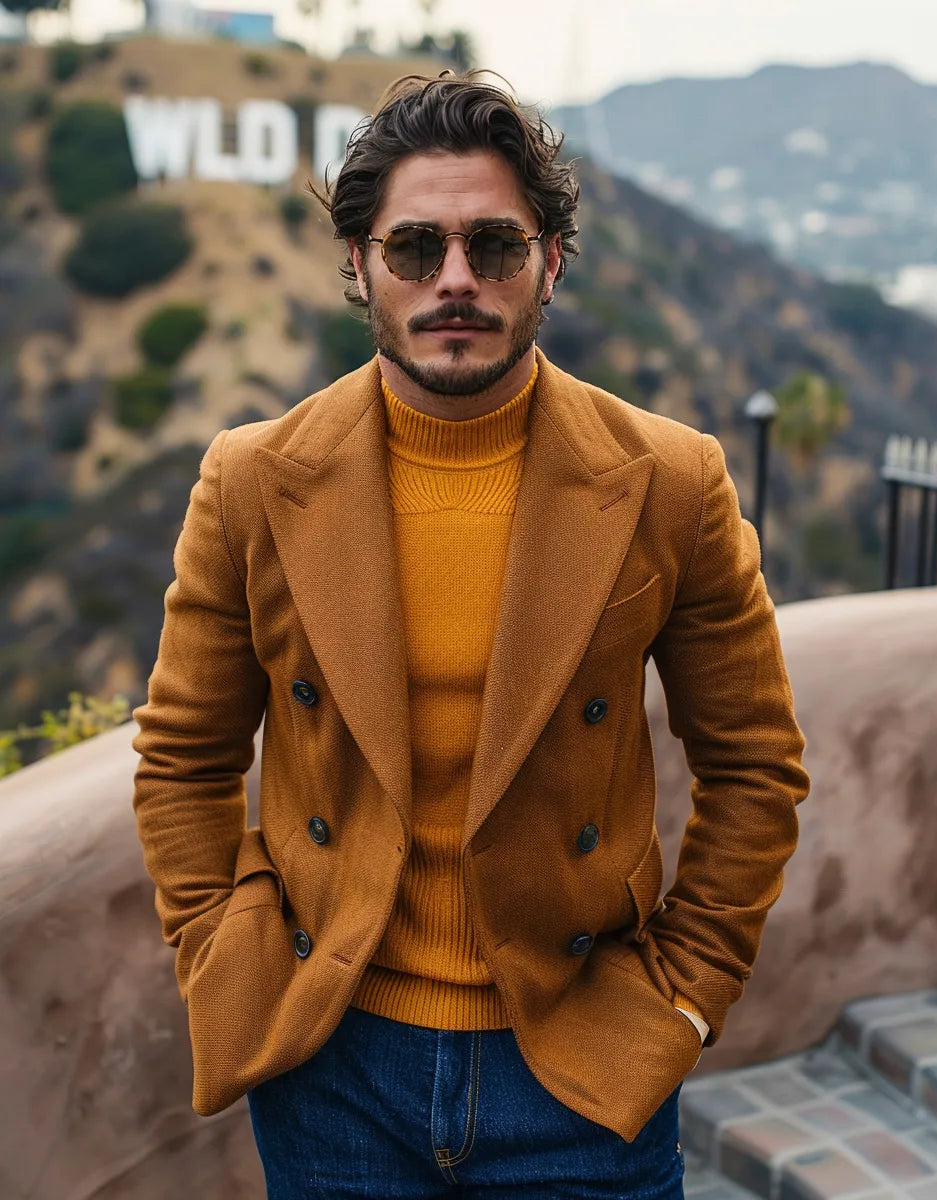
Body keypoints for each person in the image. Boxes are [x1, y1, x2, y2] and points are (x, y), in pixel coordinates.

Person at [131, 71, 810, 1199]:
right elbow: (184, 756)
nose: (456, 280)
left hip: (583, 1062)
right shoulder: (254, 479)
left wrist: (686, 994)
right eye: (415, 249)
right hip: (331, 1064)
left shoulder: (669, 482)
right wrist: (225, 957)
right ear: (359, 265)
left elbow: (756, 765)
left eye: (495, 245)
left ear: (552, 258)